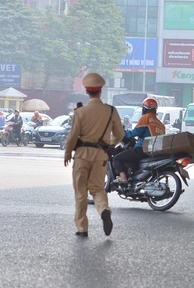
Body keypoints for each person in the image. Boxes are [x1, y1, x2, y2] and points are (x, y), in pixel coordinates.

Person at [64, 73, 124, 237]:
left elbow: (72, 136)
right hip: (101, 156)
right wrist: (110, 144)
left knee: (80, 192)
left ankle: (82, 228)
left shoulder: (80, 112)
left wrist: (68, 153)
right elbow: (120, 134)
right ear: (100, 91)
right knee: (97, 189)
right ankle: (104, 210)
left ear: (87, 91)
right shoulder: (111, 111)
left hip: (82, 155)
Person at [113, 98, 166, 186]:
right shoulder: (161, 124)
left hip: (143, 149)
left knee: (117, 158)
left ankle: (123, 178)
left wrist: (122, 132)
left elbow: (134, 133)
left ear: (144, 109)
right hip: (155, 152)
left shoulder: (146, 117)